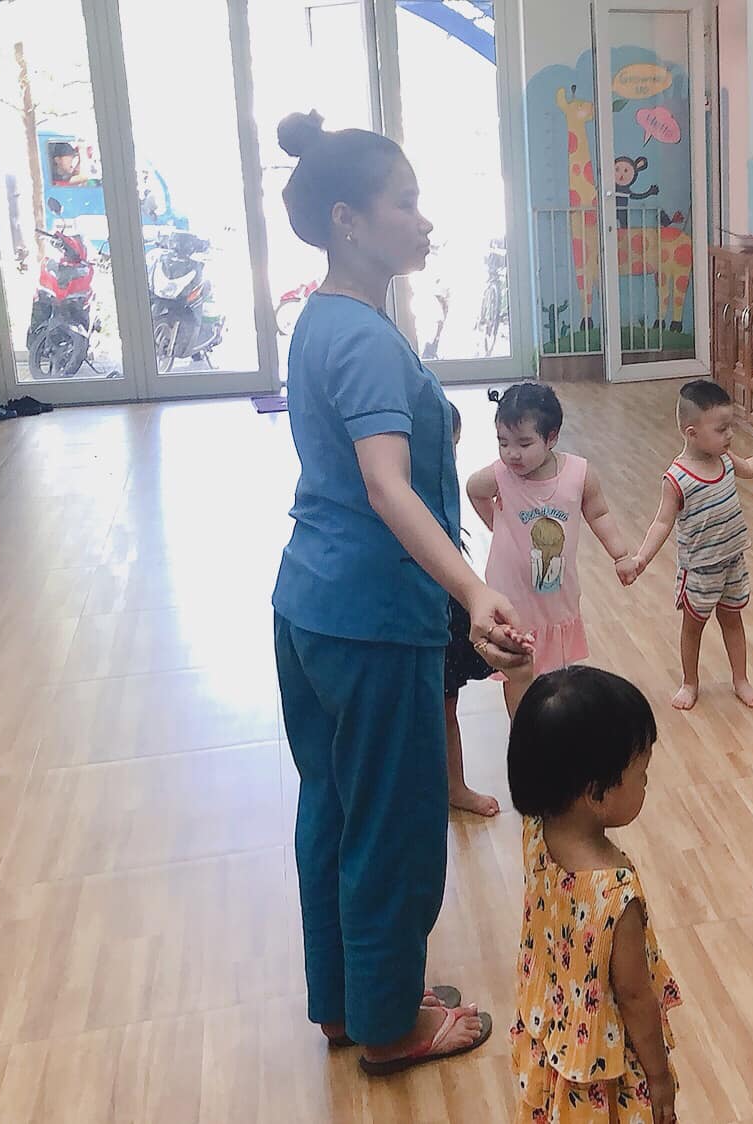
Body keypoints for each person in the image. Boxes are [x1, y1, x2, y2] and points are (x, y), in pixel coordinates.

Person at [269, 108, 530, 1076]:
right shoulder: (368, 340)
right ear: (348, 220)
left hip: (312, 604)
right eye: (405, 202)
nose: (424, 219)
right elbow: (386, 485)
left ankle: (349, 1001)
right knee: (394, 820)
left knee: (336, 805)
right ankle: (390, 1025)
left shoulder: (325, 317)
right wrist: (472, 590)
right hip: (375, 620)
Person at [508, 666, 682, 1124]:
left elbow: (539, 747)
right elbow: (634, 996)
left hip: (551, 1036)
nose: (646, 783)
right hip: (604, 1074)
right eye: (641, 773)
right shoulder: (615, 893)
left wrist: (519, 678)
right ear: (596, 793)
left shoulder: (537, 831)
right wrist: (659, 1076)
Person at [622, 379, 753, 710]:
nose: (729, 435)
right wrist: (642, 558)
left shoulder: (724, 459)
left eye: (729, 427)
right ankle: (689, 682)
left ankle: (741, 680)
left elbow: (749, 468)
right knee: (693, 627)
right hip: (699, 569)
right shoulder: (677, 478)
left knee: (733, 620)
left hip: (732, 561)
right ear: (692, 433)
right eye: (722, 429)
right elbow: (662, 522)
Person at [467, 382, 635, 714]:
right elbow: (474, 489)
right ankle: (521, 733)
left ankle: (551, 730)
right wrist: (497, 525)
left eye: (524, 443)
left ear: (552, 437)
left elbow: (598, 513)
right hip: (511, 600)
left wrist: (621, 555)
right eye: (503, 442)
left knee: (557, 678)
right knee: (516, 671)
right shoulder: (500, 476)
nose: (512, 453)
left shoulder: (578, 474)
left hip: (557, 597)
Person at [443, 402, 500, 817]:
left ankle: (454, 786)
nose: (451, 457)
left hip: (443, 610)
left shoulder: (440, 486)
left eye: (455, 447)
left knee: (447, 705)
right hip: (406, 616)